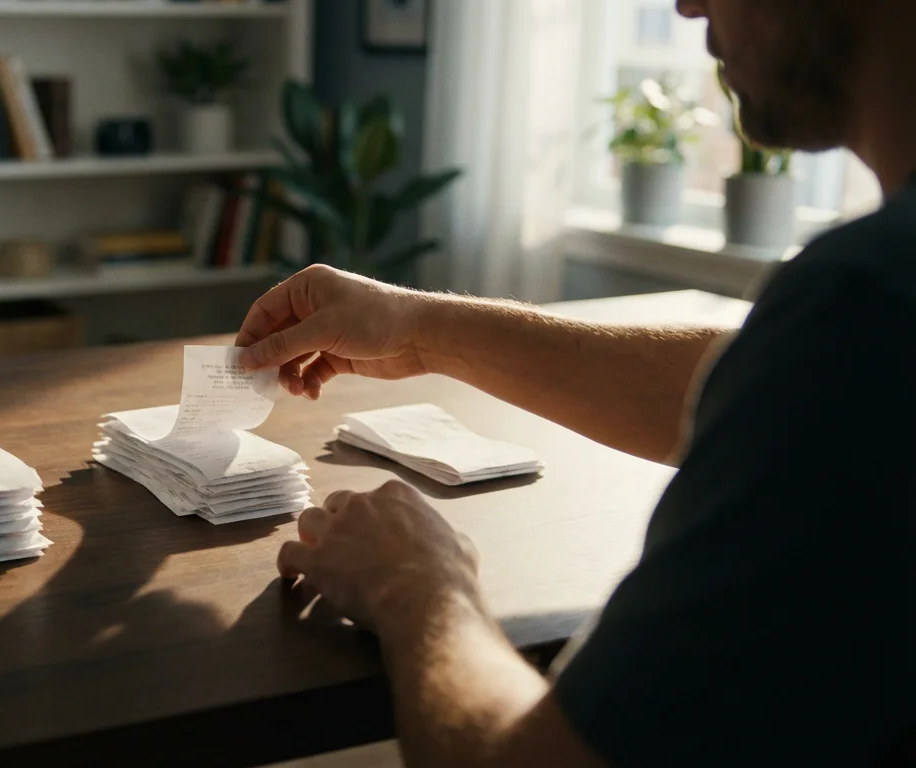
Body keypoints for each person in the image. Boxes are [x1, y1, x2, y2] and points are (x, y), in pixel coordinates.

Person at [236, 0, 916, 765]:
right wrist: (419, 326)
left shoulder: (867, 305)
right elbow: (742, 379)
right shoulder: (862, 321)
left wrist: (418, 586)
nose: (684, 4)